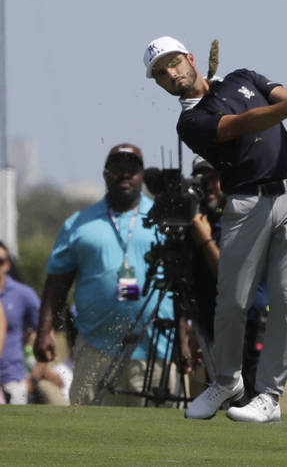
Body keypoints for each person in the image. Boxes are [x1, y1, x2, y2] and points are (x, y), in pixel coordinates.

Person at [144, 34, 287, 424]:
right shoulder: (190, 122)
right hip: (246, 204)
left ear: (191, 59)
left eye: (174, 63)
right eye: (161, 73)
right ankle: (226, 380)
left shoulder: (242, 77)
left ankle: (270, 395)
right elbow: (241, 125)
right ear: (158, 84)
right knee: (233, 303)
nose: (171, 74)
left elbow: (282, 96)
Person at [33, 143, 176, 406]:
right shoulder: (79, 223)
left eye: (131, 170)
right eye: (116, 169)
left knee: (156, 433)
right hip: (96, 348)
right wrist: (45, 331)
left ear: (142, 175)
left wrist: (188, 336)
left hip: (156, 348)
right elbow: (56, 282)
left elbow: (182, 280)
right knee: (89, 431)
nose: (124, 175)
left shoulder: (164, 219)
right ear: (105, 174)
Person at [188, 155, 268, 398]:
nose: (210, 185)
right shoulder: (202, 219)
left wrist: (204, 239)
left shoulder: (243, 215)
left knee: (245, 402)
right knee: (220, 400)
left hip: (248, 324)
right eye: (204, 178)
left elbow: (230, 274)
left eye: (216, 177)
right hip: (214, 323)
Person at [0, 241, 40, 405]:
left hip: (13, 379)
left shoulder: (23, 294)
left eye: (0, 261)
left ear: (8, 264)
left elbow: (45, 334)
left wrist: (34, 379)